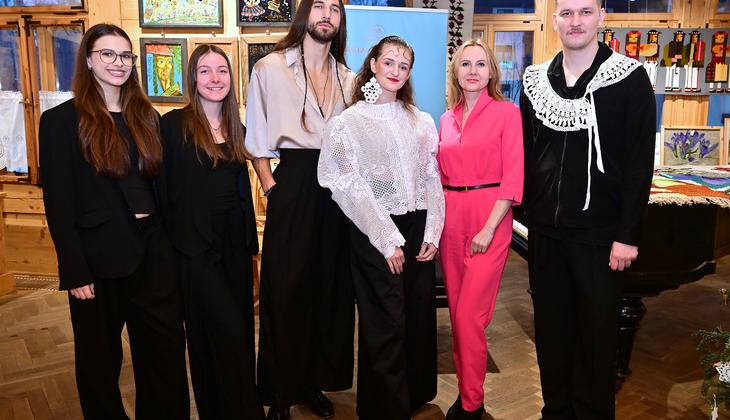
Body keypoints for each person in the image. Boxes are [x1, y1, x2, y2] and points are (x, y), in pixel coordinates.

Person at [38, 23, 189, 419]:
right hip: (98, 258)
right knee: (99, 362)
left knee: (165, 353)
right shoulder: (60, 121)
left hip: (152, 251)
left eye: (125, 55)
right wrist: (74, 269)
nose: (118, 63)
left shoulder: (146, 116)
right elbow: (59, 202)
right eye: (107, 54)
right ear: (88, 60)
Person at [520, 0, 656, 418]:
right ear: (555, 20)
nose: (575, 21)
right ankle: (555, 412)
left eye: (584, 11)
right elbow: (525, 154)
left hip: (601, 237)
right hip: (546, 233)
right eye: (566, 13)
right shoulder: (535, 80)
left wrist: (628, 235)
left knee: (596, 339)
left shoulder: (630, 78)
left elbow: (639, 163)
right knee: (551, 334)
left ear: (601, 16)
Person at [318, 35, 445, 420]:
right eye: (389, 62)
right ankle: (385, 409)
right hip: (375, 228)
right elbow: (345, 184)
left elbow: (431, 177)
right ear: (373, 64)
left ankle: (414, 394)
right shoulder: (348, 123)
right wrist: (387, 239)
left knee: (417, 316)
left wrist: (433, 231)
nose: (395, 71)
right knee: (385, 322)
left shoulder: (420, 120)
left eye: (403, 66)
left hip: (418, 225)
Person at [244, 0, 355, 418]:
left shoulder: (349, 78)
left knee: (327, 289)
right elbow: (256, 138)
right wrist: (272, 187)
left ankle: (312, 383)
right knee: (285, 290)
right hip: (292, 182)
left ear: (340, 20)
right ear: (305, 14)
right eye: (319, 6)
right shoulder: (270, 68)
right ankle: (279, 392)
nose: (327, 14)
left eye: (335, 9)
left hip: (337, 188)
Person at [159, 44, 264, 420]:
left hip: (235, 247)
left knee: (239, 333)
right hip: (194, 249)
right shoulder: (172, 126)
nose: (215, 78)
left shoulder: (239, 129)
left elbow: (243, 190)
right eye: (205, 70)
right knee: (218, 334)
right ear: (192, 77)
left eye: (222, 70)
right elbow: (162, 190)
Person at [437, 39, 523, 420]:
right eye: (465, 64)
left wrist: (489, 228)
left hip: (490, 219)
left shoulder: (507, 114)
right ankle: (467, 394)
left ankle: (472, 405)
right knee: (458, 316)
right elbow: (437, 176)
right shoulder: (445, 119)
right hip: (450, 220)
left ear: (492, 73)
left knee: (470, 316)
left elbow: (513, 176)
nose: (473, 71)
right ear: (456, 72)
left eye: (481, 64)